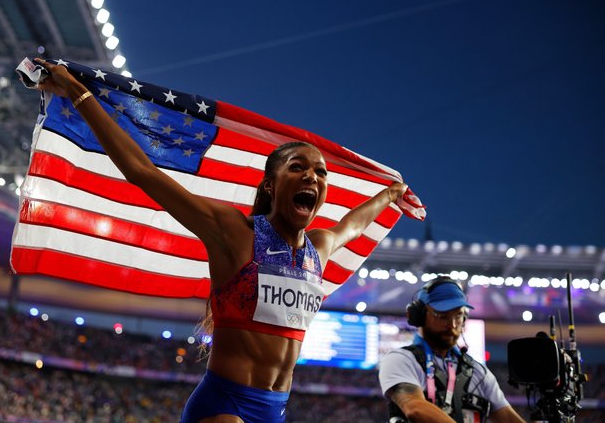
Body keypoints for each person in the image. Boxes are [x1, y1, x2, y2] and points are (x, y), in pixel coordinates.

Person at [33, 58, 408, 423]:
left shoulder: (319, 248)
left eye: (320, 172)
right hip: (224, 406)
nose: (312, 177)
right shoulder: (234, 232)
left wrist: (390, 196)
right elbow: (141, 171)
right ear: (270, 185)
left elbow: (354, 224)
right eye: (298, 167)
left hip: (275, 409)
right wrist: (79, 93)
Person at [378, 276, 525, 423]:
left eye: (458, 315)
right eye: (442, 316)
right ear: (420, 316)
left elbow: (508, 418)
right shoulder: (401, 359)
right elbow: (415, 408)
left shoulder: (479, 373)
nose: (452, 325)